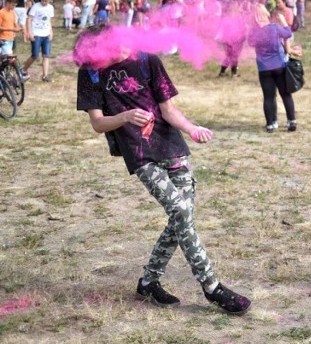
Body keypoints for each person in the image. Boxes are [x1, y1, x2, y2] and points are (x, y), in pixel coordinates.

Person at [75, 24, 252, 314]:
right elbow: (97, 123)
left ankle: (148, 282)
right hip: (140, 153)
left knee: (180, 216)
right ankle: (213, 288)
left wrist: (192, 129)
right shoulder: (90, 71)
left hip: (172, 147)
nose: (95, 62)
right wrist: (125, 116)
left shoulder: (147, 60)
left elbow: (168, 110)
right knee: (181, 212)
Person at [247, 4, 297, 132]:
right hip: (279, 65)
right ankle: (291, 121)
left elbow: (251, 43)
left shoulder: (254, 32)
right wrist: (284, 21)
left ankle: (271, 123)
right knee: (285, 94)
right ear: (265, 14)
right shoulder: (274, 28)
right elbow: (288, 33)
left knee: (269, 96)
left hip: (264, 68)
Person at [22, 0, 55, 82]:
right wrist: (29, 32)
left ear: (49, 0)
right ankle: (23, 70)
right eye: (43, 0)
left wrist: (51, 32)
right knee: (35, 55)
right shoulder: (36, 6)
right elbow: (29, 19)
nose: (44, 2)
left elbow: (49, 20)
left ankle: (45, 76)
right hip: (36, 33)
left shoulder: (51, 8)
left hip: (46, 34)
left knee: (46, 55)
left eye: (46, 1)